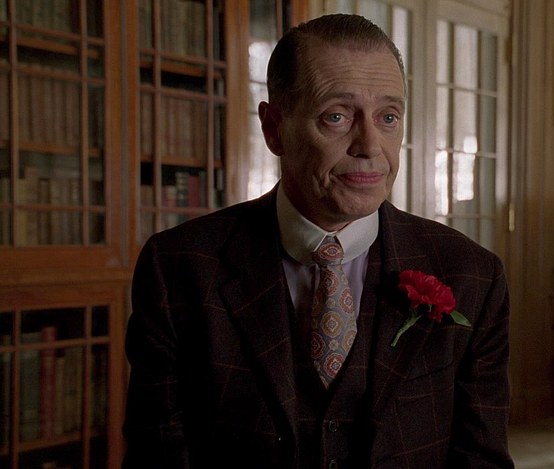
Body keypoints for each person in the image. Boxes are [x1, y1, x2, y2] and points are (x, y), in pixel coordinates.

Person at [122, 13, 513, 469]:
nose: (370, 145)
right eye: (337, 116)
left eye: (388, 117)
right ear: (274, 128)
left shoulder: (471, 274)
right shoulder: (179, 267)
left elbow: (481, 459)